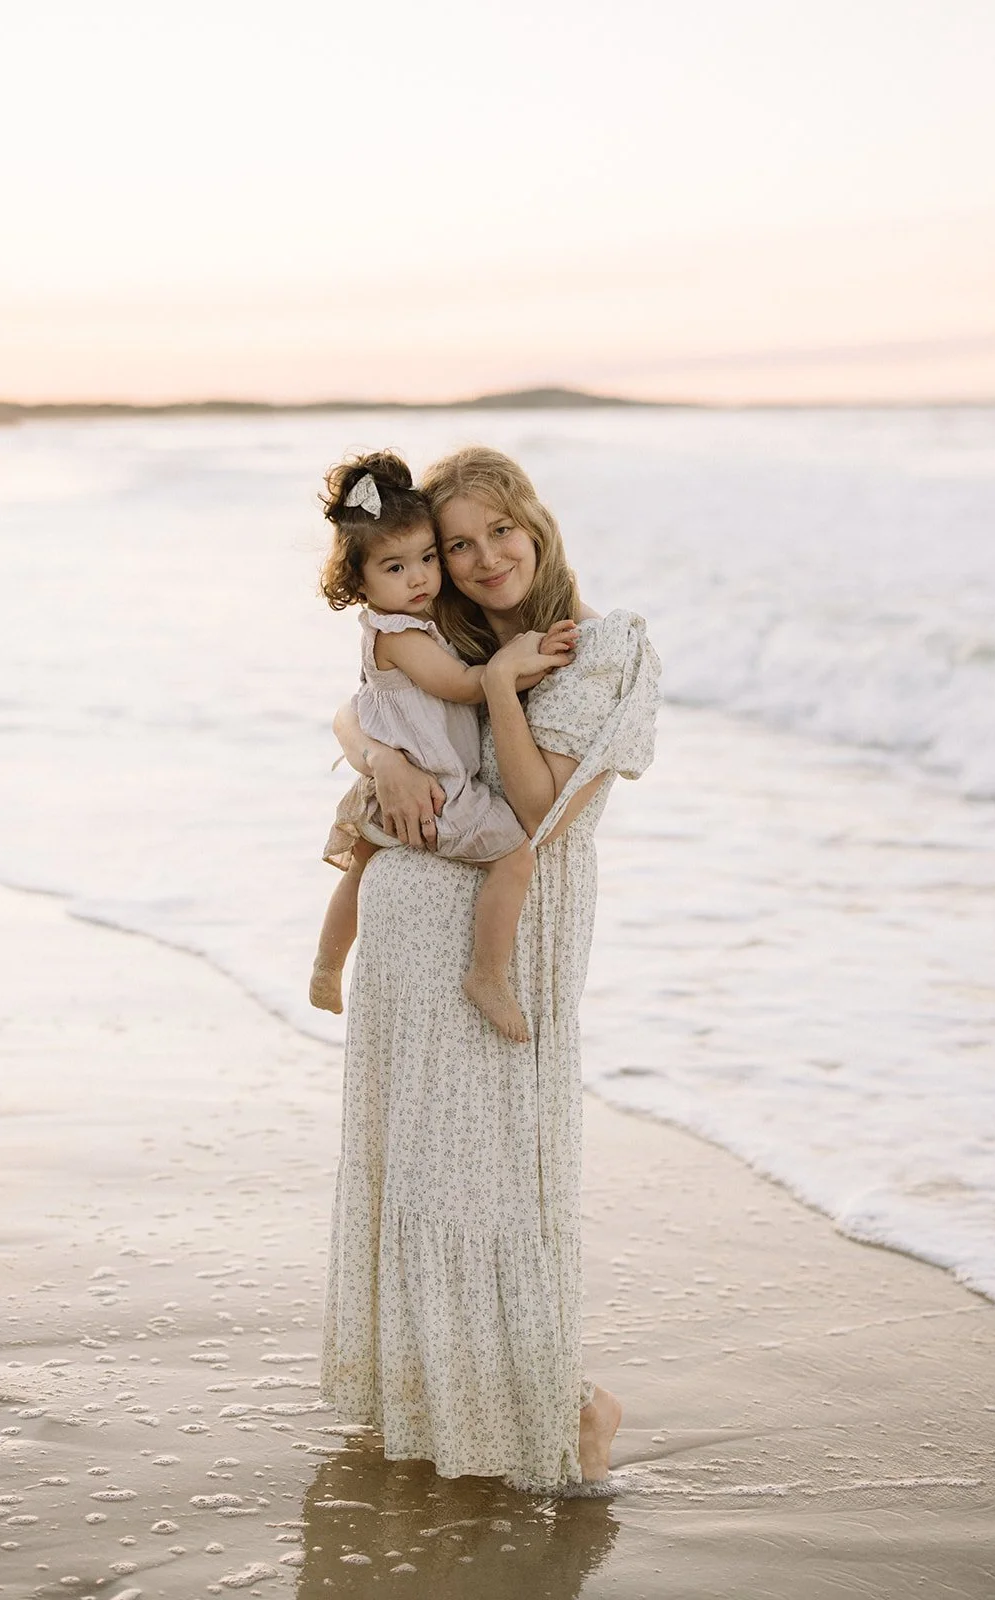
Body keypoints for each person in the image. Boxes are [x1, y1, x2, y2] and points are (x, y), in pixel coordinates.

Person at [320, 446, 660, 1491]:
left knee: (498, 1181)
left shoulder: (605, 650)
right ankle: (440, 1408)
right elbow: (360, 705)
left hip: (518, 933)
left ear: (535, 520)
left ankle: (565, 1408)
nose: (478, 559)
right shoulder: (453, 631)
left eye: (495, 532)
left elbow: (530, 812)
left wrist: (504, 695)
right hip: (415, 925)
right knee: (419, 1172)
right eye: (456, 544)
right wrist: (376, 759)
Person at [309, 452, 575, 1042]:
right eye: (397, 568)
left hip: (417, 778)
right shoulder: (401, 634)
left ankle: (328, 965)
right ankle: (486, 975)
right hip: (439, 790)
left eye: (428, 558)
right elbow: (462, 686)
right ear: (359, 583)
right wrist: (524, 663)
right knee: (514, 856)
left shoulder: (421, 625)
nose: (420, 578)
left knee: (362, 866)